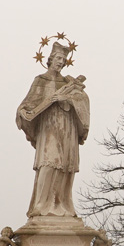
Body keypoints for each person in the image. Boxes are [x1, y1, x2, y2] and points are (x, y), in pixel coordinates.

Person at [15, 42, 90, 218]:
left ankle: (62, 204)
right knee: (49, 162)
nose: (61, 62)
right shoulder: (40, 80)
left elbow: (83, 101)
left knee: (65, 165)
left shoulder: (68, 82)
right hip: (49, 125)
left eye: (63, 59)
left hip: (67, 126)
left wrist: (69, 99)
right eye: (58, 58)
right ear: (50, 59)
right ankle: (41, 205)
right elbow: (27, 104)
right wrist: (23, 112)